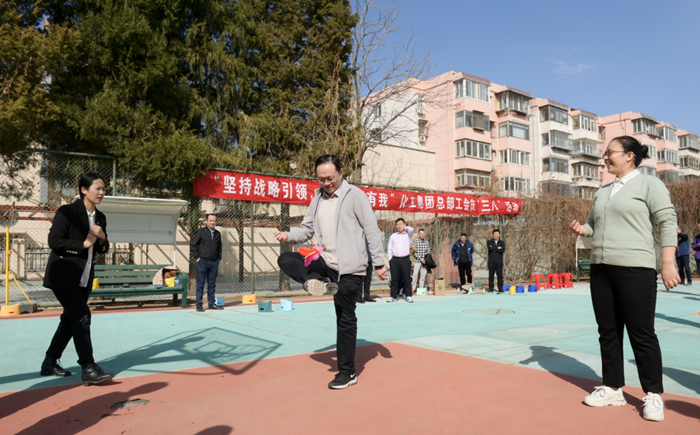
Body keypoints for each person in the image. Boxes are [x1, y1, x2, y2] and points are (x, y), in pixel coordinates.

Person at [569, 135, 679, 422]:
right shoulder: (603, 191)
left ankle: (653, 393)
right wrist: (584, 230)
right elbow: (593, 225)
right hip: (601, 269)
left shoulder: (649, 184)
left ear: (630, 155)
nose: (605, 158)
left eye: (610, 152)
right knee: (608, 331)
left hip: (636, 268)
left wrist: (668, 263)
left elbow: (667, 221)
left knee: (641, 333)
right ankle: (612, 387)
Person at [275, 155, 387, 389]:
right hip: (324, 260)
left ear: (341, 172)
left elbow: (372, 229)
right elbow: (306, 229)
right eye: (321, 179)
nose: (326, 183)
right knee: (287, 258)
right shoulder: (317, 198)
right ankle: (317, 281)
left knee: (344, 318)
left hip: (349, 268)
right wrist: (288, 235)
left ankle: (347, 372)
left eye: (330, 178)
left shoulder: (355, 195)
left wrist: (378, 263)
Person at [41, 172, 115, 386]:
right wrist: (83, 244)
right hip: (63, 276)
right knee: (82, 316)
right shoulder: (67, 212)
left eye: (103, 189)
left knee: (70, 320)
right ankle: (88, 368)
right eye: (97, 188)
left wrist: (102, 238)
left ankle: (50, 362)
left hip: (83, 278)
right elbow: (54, 241)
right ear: (84, 190)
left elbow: (102, 248)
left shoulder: (100, 217)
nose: (101, 192)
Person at [191, 214, 223, 312]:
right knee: (200, 283)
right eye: (210, 220)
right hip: (203, 262)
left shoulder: (217, 234)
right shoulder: (201, 232)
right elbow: (193, 245)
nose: (212, 222)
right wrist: (197, 257)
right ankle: (199, 305)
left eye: (214, 221)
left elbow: (219, 247)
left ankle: (211, 303)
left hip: (214, 263)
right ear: (207, 221)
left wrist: (218, 258)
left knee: (212, 284)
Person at [387, 218, 415, 303]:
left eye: (400, 224)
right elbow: (390, 248)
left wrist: (404, 228)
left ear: (404, 224)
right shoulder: (393, 236)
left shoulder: (408, 234)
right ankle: (393, 296)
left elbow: (412, 229)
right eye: (397, 225)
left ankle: (409, 296)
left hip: (405, 259)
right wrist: (390, 259)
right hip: (395, 260)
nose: (399, 226)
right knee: (394, 279)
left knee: (407, 278)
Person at [411, 229, 430, 293]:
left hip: (424, 262)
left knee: (423, 276)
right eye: (421, 233)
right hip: (417, 261)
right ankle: (413, 289)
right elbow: (413, 252)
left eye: (423, 233)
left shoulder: (427, 242)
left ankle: (421, 289)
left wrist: (426, 259)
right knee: (415, 275)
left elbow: (428, 252)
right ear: (418, 234)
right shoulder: (415, 241)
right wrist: (420, 258)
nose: (422, 235)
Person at [487, 229, 505, 293]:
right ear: (493, 235)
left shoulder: (502, 242)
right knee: (491, 275)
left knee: (500, 275)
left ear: (499, 235)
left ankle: (500, 288)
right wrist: (497, 248)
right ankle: (491, 288)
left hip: (499, 261)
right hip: (491, 261)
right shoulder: (489, 242)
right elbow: (490, 248)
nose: (496, 235)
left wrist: (494, 249)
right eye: (495, 234)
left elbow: (502, 250)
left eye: (497, 234)